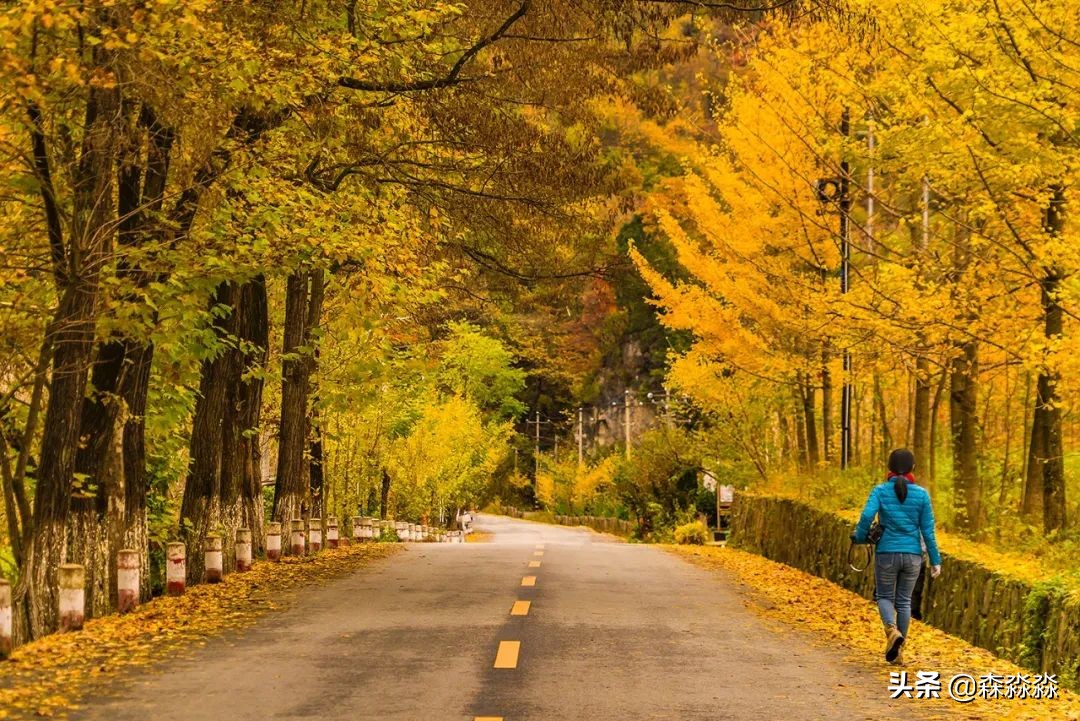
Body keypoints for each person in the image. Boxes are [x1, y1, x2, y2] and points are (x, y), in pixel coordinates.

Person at [853, 448, 942, 665]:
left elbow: (866, 515)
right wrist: (935, 560)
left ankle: (892, 632)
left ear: (889, 468)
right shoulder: (922, 494)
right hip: (913, 556)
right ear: (913, 468)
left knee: (884, 597)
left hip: (887, 554)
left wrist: (861, 537)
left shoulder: (881, 491)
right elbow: (928, 530)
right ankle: (899, 653)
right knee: (904, 602)